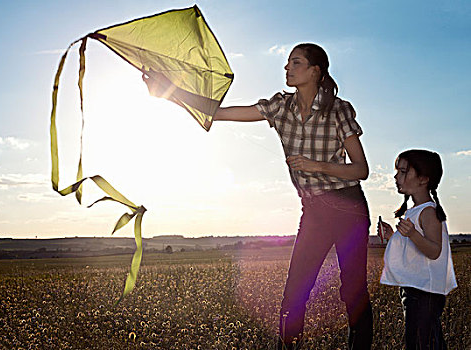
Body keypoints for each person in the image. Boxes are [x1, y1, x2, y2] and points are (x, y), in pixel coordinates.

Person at [143, 43, 373, 349]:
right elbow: (219, 112)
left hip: (347, 206)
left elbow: (361, 170)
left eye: (296, 62)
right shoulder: (280, 106)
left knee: (353, 290)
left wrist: (316, 165)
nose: (287, 68)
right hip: (314, 210)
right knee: (295, 291)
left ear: (315, 71)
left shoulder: (339, 109)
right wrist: (169, 91)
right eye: (287, 63)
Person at [379, 149, 457, 350]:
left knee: (422, 343)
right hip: (415, 288)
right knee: (427, 342)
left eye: (403, 171)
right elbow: (412, 249)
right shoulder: (415, 211)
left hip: (425, 292)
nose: (396, 176)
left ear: (423, 179)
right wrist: (391, 237)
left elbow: (434, 251)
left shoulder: (428, 212)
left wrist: (413, 234)